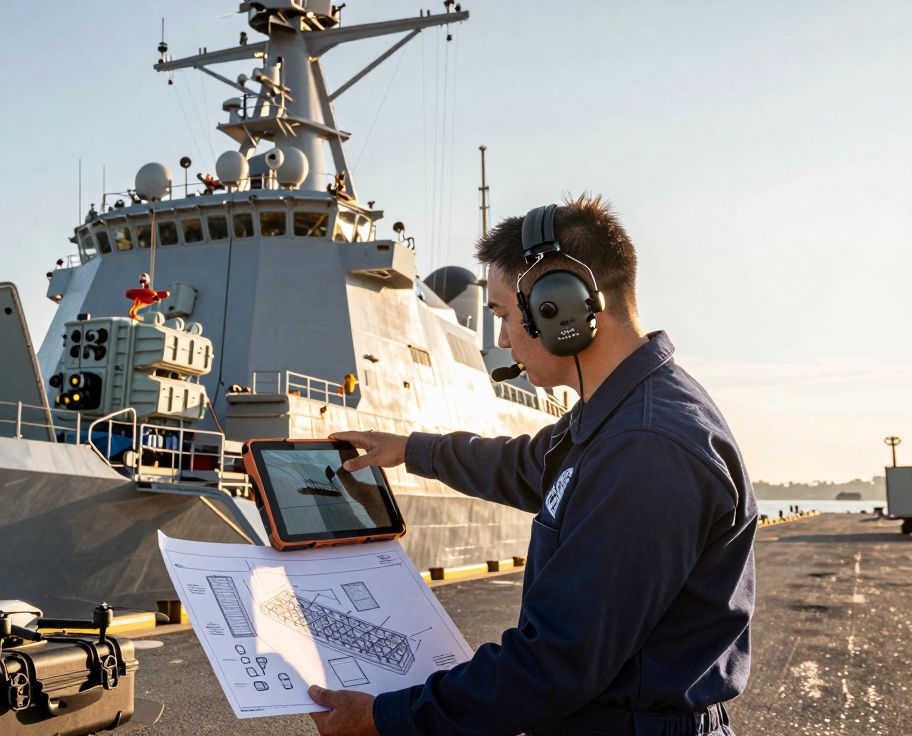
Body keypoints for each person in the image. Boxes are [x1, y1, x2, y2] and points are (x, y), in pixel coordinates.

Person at [307, 195, 756, 736]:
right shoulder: (618, 412)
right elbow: (528, 466)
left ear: (560, 308)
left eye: (501, 314)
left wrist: (383, 717)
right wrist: (410, 449)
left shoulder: (645, 446)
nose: (500, 340)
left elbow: (555, 665)